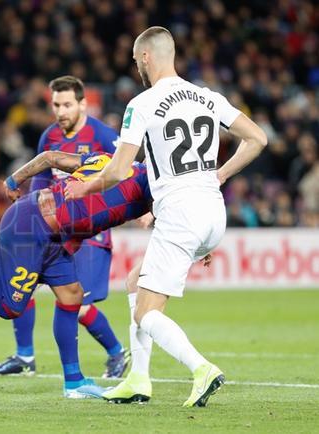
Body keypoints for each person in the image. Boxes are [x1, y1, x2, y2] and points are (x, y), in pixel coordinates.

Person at [64, 26, 267, 407]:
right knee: (134, 281)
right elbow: (258, 138)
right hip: (212, 211)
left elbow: (118, 169)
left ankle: (202, 368)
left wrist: (82, 188)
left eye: (135, 60)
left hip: (182, 213)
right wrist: (221, 174)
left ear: (145, 57)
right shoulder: (208, 97)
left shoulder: (142, 104)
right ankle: (138, 380)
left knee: (145, 314)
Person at [0, 150, 151, 398]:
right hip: (30, 226)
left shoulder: (105, 159)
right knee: (8, 308)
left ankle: (74, 382)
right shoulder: (154, 183)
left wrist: (14, 179)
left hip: (54, 234)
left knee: (72, 296)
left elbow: (51, 158)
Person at [0, 76, 129, 379]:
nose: (61, 111)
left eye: (67, 105)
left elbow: (127, 176)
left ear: (83, 104)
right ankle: (25, 356)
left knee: (76, 303)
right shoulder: (48, 137)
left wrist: (139, 212)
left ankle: (117, 353)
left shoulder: (104, 136)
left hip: (91, 230)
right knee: (23, 283)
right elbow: (41, 183)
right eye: (56, 105)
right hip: (55, 228)